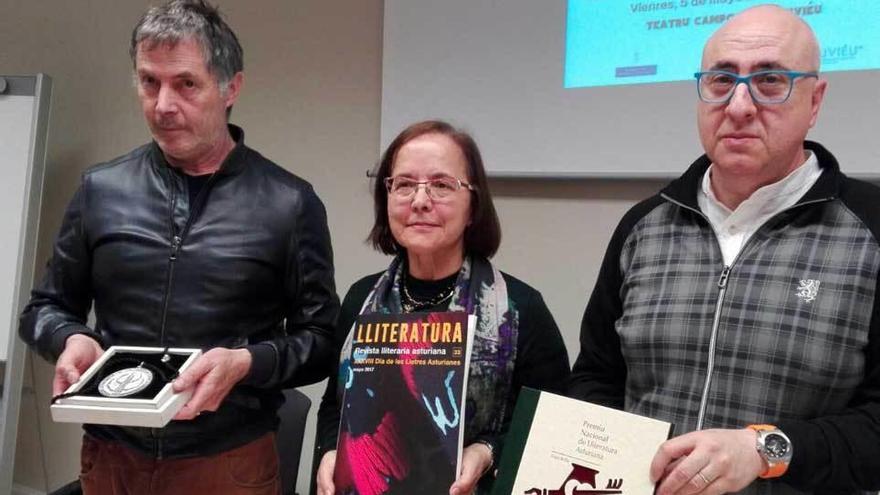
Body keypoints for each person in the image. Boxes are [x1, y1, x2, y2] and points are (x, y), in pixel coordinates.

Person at [18, 1, 338, 493]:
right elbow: (44, 308)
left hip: (227, 463)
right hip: (111, 458)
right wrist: (68, 338)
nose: (163, 104)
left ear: (231, 87)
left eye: (186, 83)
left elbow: (320, 340)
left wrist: (247, 362)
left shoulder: (288, 203)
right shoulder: (100, 190)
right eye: (149, 82)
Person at [569, 5, 880, 495]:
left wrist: (764, 451)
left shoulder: (871, 229)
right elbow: (595, 379)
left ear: (815, 100)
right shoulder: (643, 227)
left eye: (770, 80)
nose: (738, 105)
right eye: (720, 80)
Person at [313, 120, 570, 495]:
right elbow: (336, 407)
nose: (419, 201)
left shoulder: (521, 310)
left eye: (441, 185)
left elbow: (554, 428)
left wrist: (488, 452)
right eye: (403, 184)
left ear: (472, 206)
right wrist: (330, 452)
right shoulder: (360, 300)